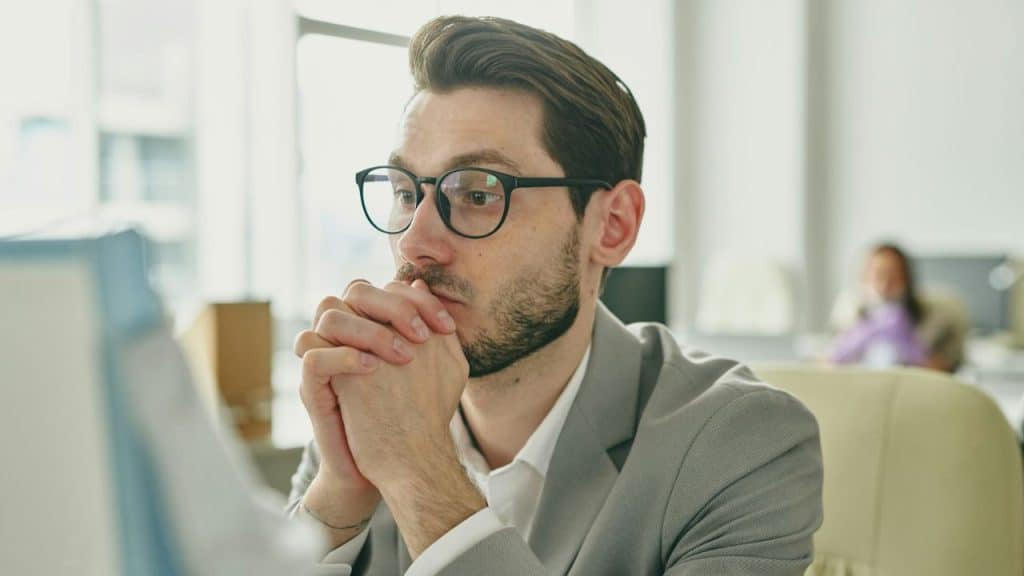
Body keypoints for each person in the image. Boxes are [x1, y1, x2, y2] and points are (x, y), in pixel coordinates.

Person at [287, 15, 823, 576]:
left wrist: (420, 472)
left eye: (477, 192)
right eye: (404, 193)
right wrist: (339, 496)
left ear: (612, 225)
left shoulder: (742, 445)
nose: (415, 242)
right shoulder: (373, 401)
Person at [830, 243, 963, 372]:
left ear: (906, 278)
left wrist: (913, 350)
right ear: (864, 278)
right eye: (878, 274)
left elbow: (946, 372)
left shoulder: (934, 318)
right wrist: (857, 340)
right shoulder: (849, 316)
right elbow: (827, 366)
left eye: (893, 275)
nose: (885, 284)